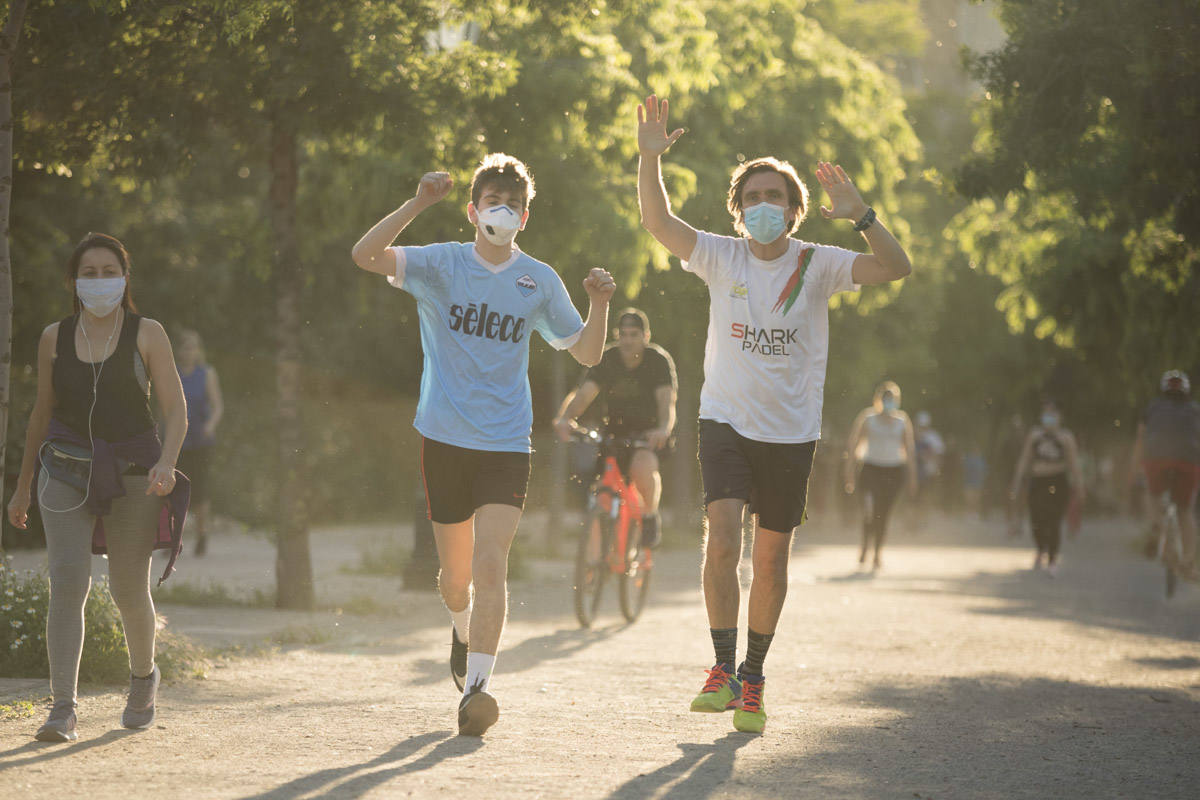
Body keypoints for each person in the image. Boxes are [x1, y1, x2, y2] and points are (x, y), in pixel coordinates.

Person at [635, 95, 913, 733]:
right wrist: (649, 159)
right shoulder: (719, 255)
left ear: (794, 210)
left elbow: (897, 267)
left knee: (771, 561)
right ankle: (723, 670)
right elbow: (658, 221)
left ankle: (755, 680)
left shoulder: (818, 263)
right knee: (723, 538)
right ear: (738, 211)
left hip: (791, 432)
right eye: (753, 196)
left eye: (776, 197)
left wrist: (863, 216)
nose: (765, 205)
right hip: (724, 420)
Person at [351, 154, 615, 736]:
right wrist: (418, 204)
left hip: (506, 443)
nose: (503, 209)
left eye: (514, 203)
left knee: (493, 561)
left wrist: (598, 306)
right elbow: (365, 256)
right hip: (444, 437)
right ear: (472, 210)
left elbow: (588, 353)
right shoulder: (441, 263)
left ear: (525, 215)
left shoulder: (539, 279)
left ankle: (477, 691)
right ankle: (461, 624)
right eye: (492, 199)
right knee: (456, 577)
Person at [6, 233, 189, 742]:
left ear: (125, 277)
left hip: (136, 473)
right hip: (63, 470)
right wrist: (22, 487)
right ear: (74, 281)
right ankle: (62, 707)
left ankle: (142, 679)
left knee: (129, 590)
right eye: (89, 272)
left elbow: (175, 411)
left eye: (109, 269)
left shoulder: (147, 333)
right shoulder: (54, 337)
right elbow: (41, 414)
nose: (99, 279)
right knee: (67, 584)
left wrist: (167, 464)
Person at [553, 307, 678, 548]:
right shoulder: (607, 358)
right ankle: (593, 566)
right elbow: (584, 393)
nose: (628, 340)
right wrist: (565, 418)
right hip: (613, 434)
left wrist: (663, 428)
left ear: (646, 336)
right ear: (617, 335)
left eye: (634, 334)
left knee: (642, 468)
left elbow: (667, 401)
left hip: (648, 436)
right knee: (600, 495)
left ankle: (650, 516)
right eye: (624, 334)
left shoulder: (658, 361)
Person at [1132, 370, 1200, 578]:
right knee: (1185, 510)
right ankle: (1188, 562)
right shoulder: (1195, 409)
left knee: (1152, 495)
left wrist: (1136, 468)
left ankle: (1155, 526)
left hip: (1156, 459)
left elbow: (1141, 439)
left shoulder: (1152, 407)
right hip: (1188, 462)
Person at [843, 381, 917, 571]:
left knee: (883, 513)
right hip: (870, 469)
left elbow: (909, 450)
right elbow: (853, 445)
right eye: (885, 398)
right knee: (869, 510)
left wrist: (913, 478)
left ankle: (877, 553)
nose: (888, 402)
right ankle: (865, 545)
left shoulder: (902, 420)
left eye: (892, 398)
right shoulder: (868, 418)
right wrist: (849, 472)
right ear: (879, 399)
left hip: (893, 471)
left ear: (897, 400)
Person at [1008, 400, 1083, 575]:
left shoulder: (1065, 438)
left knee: (1054, 519)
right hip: (1038, 480)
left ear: (1059, 417)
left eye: (1052, 414)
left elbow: (1074, 464)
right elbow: (1024, 459)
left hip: (1058, 480)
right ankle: (1040, 548)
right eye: (1046, 413)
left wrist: (1080, 486)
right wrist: (1016, 482)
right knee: (1036, 517)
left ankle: (1052, 558)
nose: (1048, 417)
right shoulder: (1035, 436)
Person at [175, 330, 223, 556]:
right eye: (186, 347)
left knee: (201, 491)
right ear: (178, 350)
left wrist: (210, 426)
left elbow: (218, 406)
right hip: (178, 439)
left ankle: (203, 535)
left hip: (201, 439)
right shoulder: (172, 373)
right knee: (176, 490)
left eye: (194, 347)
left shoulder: (207, 373)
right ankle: (175, 538)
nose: (189, 352)